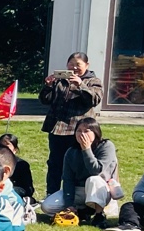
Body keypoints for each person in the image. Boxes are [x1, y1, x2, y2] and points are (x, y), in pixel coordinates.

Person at [40, 52, 103, 197]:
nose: (74, 68)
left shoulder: (93, 81)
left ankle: (76, 195)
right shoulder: (60, 80)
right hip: (57, 129)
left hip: (79, 129)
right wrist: (48, 86)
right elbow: (45, 100)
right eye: (71, 64)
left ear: (87, 65)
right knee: (55, 163)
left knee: (76, 163)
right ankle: (51, 194)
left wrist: (80, 85)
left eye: (78, 65)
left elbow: (94, 100)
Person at [41, 117, 119, 224]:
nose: (82, 134)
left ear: (96, 132)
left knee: (93, 179)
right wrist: (69, 204)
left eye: (86, 131)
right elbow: (68, 179)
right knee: (47, 206)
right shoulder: (71, 151)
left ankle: (99, 215)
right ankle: (81, 211)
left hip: (101, 188)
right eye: (79, 131)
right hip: (79, 190)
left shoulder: (106, 146)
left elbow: (96, 170)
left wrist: (86, 149)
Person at [0, 133, 35, 205]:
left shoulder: (22, 164)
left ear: (15, 150)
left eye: (7, 146)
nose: (3, 148)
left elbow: (28, 189)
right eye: (1, 145)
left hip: (15, 193)